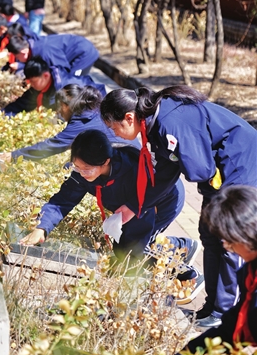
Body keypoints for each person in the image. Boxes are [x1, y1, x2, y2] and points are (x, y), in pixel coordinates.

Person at [100, 85, 257, 328]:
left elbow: (200, 169)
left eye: (114, 127)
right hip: (218, 172)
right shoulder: (156, 123)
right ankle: (212, 306)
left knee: (228, 239)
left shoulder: (169, 124)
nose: (115, 133)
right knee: (209, 234)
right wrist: (132, 206)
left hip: (240, 163)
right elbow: (165, 174)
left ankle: (224, 313)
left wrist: (180, 156)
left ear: (129, 118)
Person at [19, 130, 200, 283]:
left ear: (105, 162)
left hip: (160, 200)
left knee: (135, 251)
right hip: (131, 207)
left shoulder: (132, 174)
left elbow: (139, 226)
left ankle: (189, 276)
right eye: (77, 166)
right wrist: (42, 228)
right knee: (127, 251)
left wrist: (124, 261)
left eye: (86, 168)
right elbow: (62, 200)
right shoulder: (82, 172)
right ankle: (184, 246)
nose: (81, 173)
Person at [182, 185, 257, 353]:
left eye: (228, 240)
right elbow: (232, 327)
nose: (226, 246)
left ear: (246, 234)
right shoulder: (249, 272)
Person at [0, 84, 137, 162]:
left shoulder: (81, 123)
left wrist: (14, 155)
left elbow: (51, 146)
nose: (58, 112)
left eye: (59, 107)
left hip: (125, 162)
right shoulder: (94, 109)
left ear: (65, 106)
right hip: (133, 155)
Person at [2, 57, 105, 117]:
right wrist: (3, 114)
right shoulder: (41, 85)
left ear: (46, 76)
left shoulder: (66, 88)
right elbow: (23, 103)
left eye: (33, 82)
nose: (31, 85)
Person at [7, 33, 99, 78]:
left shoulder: (45, 53)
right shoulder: (33, 46)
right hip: (76, 51)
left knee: (73, 82)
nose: (18, 60)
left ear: (23, 52)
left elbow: (62, 70)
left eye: (17, 57)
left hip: (83, 54)